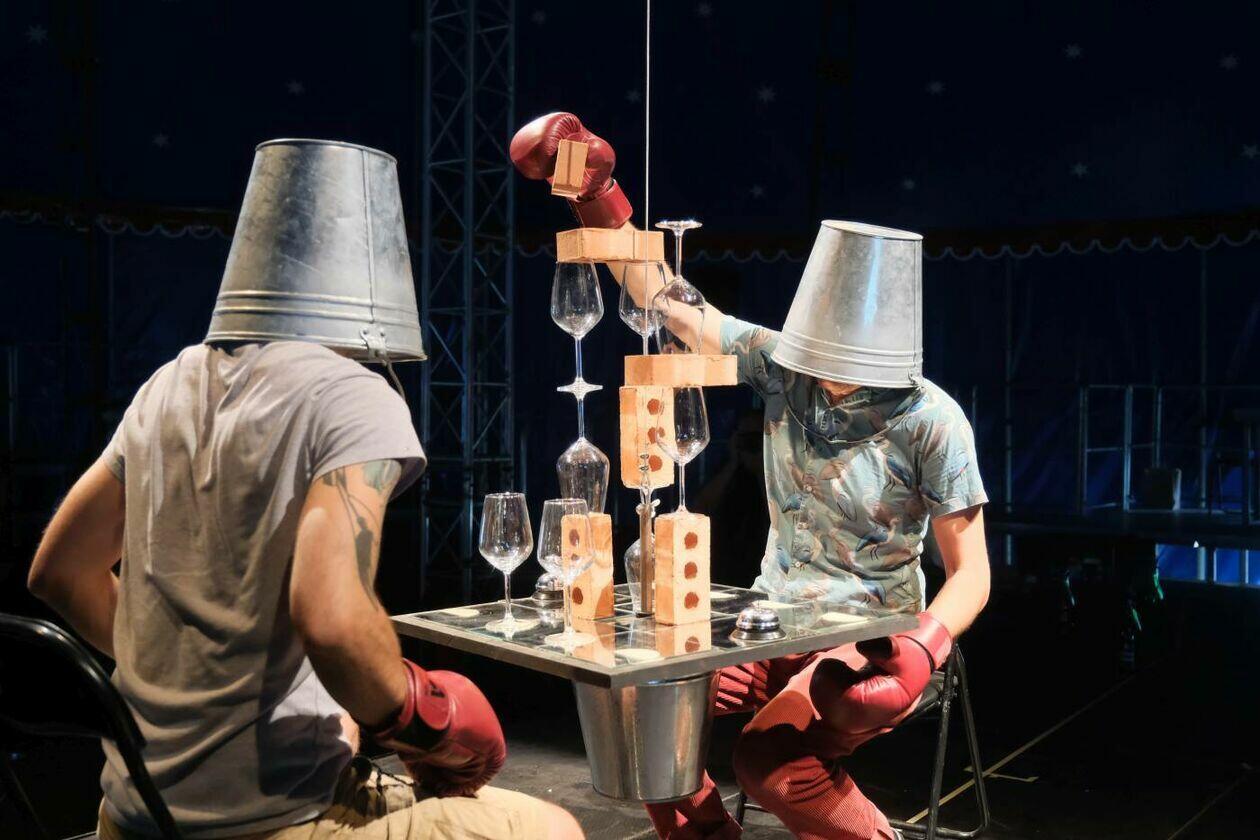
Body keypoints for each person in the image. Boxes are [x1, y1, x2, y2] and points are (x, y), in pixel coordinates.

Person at [29, 139, 582, 840]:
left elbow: (59, 572)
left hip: (134, 816)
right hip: (264, 826)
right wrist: (422, 718)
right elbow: (332, 620)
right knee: (552, 828)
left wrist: (192, 690)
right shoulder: (354, 395)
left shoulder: (167, 384)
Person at [512, 113, 990, 840]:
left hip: (870, 638)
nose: (825, 378)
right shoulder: (783, 368)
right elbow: (670, 303)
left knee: (773, 764)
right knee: (644, 722)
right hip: (771, 620)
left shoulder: (933, 421)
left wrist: (924, 645)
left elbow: (972, 573)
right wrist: (598, 196)